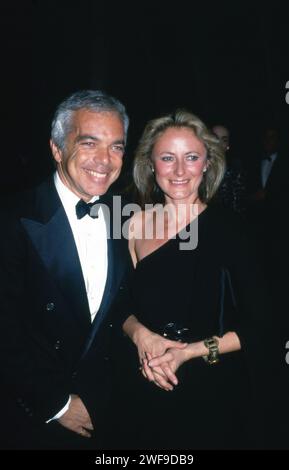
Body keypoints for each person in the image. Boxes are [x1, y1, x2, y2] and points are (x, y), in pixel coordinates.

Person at [110, 110, 283, 450]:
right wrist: (141, 336)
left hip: (210, 388)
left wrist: (188, 353)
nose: (178, 171)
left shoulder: (234, 231)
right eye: (167, 158)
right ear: (151, 163)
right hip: (142, 382)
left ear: (207, 163)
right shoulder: (130, 224)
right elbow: (117, 303)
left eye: (191, 157)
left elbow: (264, 326)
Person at [0, 90, 133, 449]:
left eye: (117, 146)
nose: (105, 160)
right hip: (33, 414)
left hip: (108, 408)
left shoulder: (125, 215)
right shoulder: (13, 219)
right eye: (89, 143)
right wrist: (55, 404)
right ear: (57, 149)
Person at [212, 124, 246, 216]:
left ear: (227, 146)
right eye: (215, 138)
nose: (218, 143)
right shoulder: (194, 168)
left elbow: (237, 208)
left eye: (224, 140)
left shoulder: (234, 171)